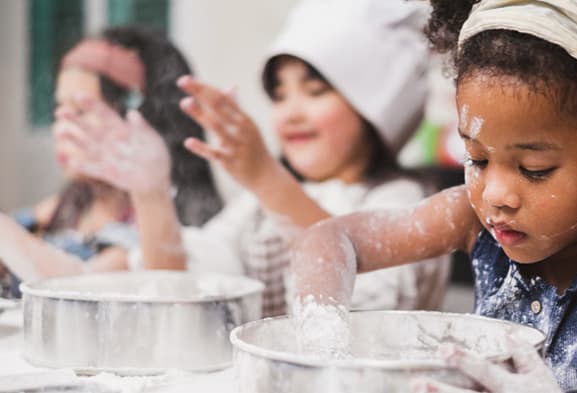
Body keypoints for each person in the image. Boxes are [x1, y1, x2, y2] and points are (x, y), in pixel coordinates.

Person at [289, 0, 577, 392]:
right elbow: (329, 239)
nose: (496, 195)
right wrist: (323, 341)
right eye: (478, 159)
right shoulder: (470, 217)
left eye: (534, 170)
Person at [58, 0, 451, 317]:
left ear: (373, 107)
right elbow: (182, 287)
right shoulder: (256, 209)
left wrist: (265, 177)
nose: (291, 112)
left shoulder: (404, 202)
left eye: (315, 92)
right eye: (280, 96)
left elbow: (371, 307)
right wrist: (150, 193)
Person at [0, 26, 222, 297]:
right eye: (60, 109)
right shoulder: (71, 204)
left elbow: (83, 291)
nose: (63, 126)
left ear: (141, 120)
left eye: (81, 110)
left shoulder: (164, 224)